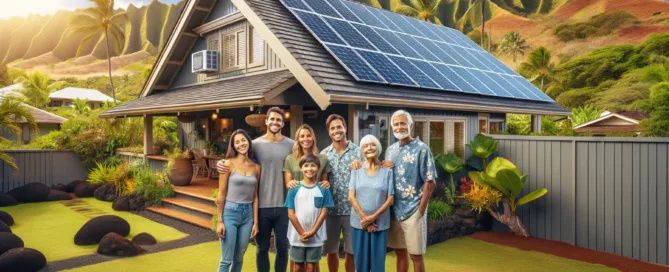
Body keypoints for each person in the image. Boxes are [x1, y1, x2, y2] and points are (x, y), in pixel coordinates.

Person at [217, 107, 294, 272]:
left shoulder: (292, 145)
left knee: (282, 248)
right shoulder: (256, 144)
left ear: (283, 123)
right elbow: (239, 159)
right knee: (261, 249)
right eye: (272, 119)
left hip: (283, 205)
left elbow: (307, 161)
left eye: (278, 120)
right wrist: (221, 163)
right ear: (266, 121)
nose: (275, 122)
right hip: (260, 206)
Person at [385, 110, 437, 272]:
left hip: (414, 210)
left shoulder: (422, 149)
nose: (400, 127)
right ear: (392, 127)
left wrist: (421, 210)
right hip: (394, 211)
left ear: (411, 125)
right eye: (396, 124)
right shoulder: (390, 150)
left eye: (403, 123)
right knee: (400, 252)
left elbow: (430, 181)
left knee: (415, 255)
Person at [284, 124, 331, 271]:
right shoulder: (290, 159)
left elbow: (324, 182)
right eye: (302, 136)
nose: (305, 139)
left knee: (313, 264)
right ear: (297, 139)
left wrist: (326, 185)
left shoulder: (322, 159)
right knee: (296, 263)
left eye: (308, 135)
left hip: (315, 206)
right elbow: (288, 183)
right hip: (298, 205)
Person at [348, 135, 394, 272]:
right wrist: (365, 218)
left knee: (377, 266)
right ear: (362, 150)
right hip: (359, 224)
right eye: (366, 146)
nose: (369, 148)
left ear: (378, 148)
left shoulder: (387, 171)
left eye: (372, 145)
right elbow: (351, 197)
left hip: (380, 224)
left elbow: (390, 199)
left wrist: (372, 218)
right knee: (361, 265)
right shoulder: (356, 170)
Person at [216, 129, 260, 272]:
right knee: (226, 259)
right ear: (233, 146)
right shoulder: (227, 164)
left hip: (247, 215)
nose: (241, 144)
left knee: (239, 258)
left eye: (243, 140)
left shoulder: (257, 168)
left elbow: (255, 196)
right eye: (237, 142)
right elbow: (221, 194)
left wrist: (255, 222)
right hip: (230, 212)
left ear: (248, 141)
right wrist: (220, 220)